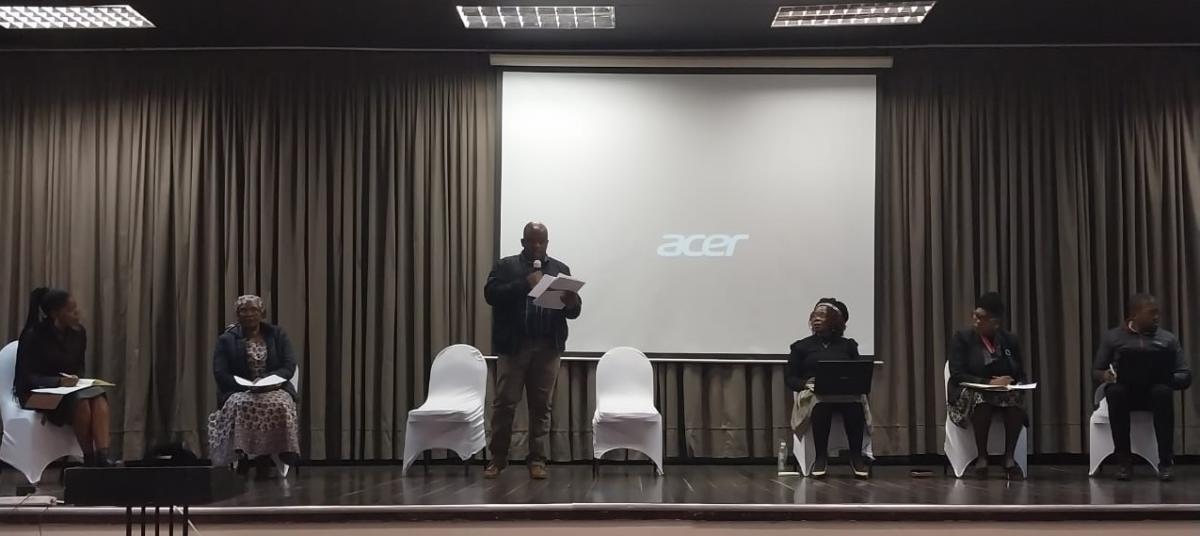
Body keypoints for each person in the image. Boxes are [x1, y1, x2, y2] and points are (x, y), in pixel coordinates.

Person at [483, 222, 581, 480]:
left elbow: (573, 312)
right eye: (532, 241)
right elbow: (491, 294)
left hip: (548, 347)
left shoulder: (560, 270)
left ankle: (537, 460)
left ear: (547, 243)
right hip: (514, 347)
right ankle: (498, 458)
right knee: (505, 404)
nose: (537, 246)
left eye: (541, 241)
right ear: (523, 242)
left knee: (541, 407)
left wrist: (572, 303)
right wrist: (523, 284)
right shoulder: (506, 266)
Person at [1092, 293, 1191, 482]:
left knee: (1162, 392)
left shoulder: (1167, 339)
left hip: (1153, 395)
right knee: (1115, 392)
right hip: (1125, 393)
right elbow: (1097, 370)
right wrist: (1106, 376)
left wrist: (1167, 378)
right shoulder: (1113, 337)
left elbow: (1184, 374)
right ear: (1134, 315)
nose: (1156, 317)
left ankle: (1165, 463)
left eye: (1157, 313)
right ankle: (1124, 462)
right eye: (1151, 313)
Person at [14, 287, 114, 466]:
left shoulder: (79, 333)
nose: (77, 313)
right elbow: (26, 378)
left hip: (68, 391)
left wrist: (77, 380)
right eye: (71, 310)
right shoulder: (33, 336)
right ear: (55, 313)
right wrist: (58, 382)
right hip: (34, 396)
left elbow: (79, 366)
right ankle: (88, 457)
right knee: (81, 403)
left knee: (98, 396)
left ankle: (102, 456)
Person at [207, 295, 300, 479]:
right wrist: (246, 386)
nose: (249, 314)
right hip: (239, 390)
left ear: (262, 313)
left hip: (274, 388)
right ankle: (242, 454)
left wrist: (266, 381)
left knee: (280, 404)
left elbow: (289, 366)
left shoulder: (277, 335)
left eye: (253, 310)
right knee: (241, 404)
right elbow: (221, 373)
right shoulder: (227, 339)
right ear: (237, 314)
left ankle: (273, 455)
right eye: (243, 310)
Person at [946, 292, 1028, 480]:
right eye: (974, 315)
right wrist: (988, 383)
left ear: (995, 322)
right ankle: (982, 457)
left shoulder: (1009, 341)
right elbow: (957, 374)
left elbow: (1020, 372)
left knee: (1016, 398)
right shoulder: (962, 339)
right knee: (981, 399)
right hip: (969, 392)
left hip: (1002, 393)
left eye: (981, 317)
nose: (975, 320)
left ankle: (1009, 458)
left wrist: (1017, 384)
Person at [786, 298, 870, 479]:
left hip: (844, 394)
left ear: (835, 321)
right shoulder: (801, 346)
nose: (816, 319)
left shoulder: (848, 346)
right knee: (821, 404)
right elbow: (790, 378)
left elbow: (859, 372)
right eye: (814, 315)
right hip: (814, 395)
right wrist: (805, 384)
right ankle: (821, 457)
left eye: (822, 316)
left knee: (855, 405)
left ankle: (856, 457)